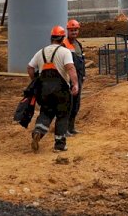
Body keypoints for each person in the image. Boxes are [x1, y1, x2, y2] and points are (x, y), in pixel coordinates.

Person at [27, 25, 79, 153]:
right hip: (61, 90)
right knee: (62, 115)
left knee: (46, 112)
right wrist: (75, 84)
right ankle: (59, 145)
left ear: (51, 38)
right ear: (62, 39)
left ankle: (38, 131)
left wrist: (35, 80)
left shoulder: (41, 52)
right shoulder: (65, 52)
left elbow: (30, 68)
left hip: (44, 90)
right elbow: (70, 68)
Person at [63, 19, 85, 136]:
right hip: (68, 78)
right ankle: (64, 129)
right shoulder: (64, 44)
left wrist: (83, 76)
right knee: (68, 104)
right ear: (68, 31)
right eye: (72, 30)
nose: (74, 32)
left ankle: (71, 127)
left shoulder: (78, 44)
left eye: (76, 30)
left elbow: (81, 61)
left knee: (76, 104)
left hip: (78, 77)